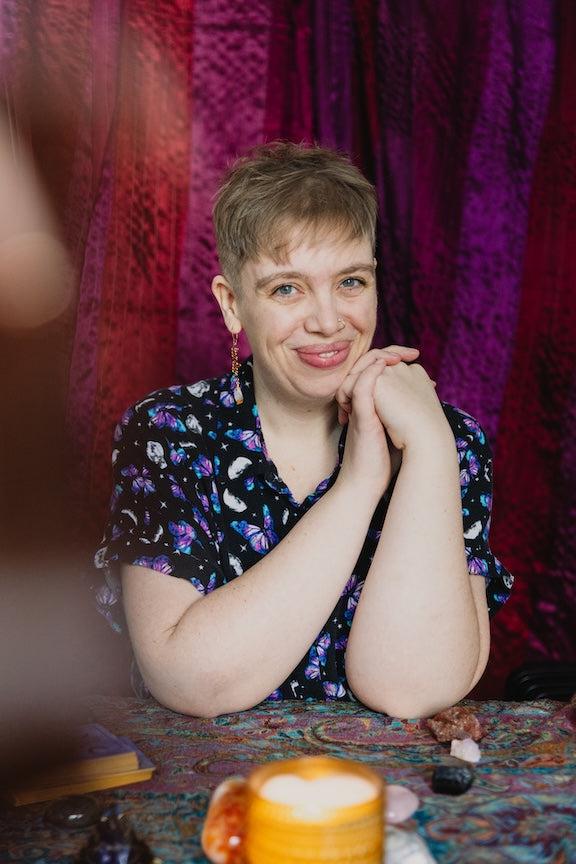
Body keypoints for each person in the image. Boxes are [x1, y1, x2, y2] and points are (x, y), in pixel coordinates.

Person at [95, 142, 513, 719]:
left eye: (350, 282)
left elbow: (412, 691)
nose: (327, 321)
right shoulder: (170, 433)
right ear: (232, 304)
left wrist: (432, 447)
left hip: (387, 794)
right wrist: (361, 482)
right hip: (214, 793)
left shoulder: (448, 441)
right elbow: (189, 681)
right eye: (287, 288)